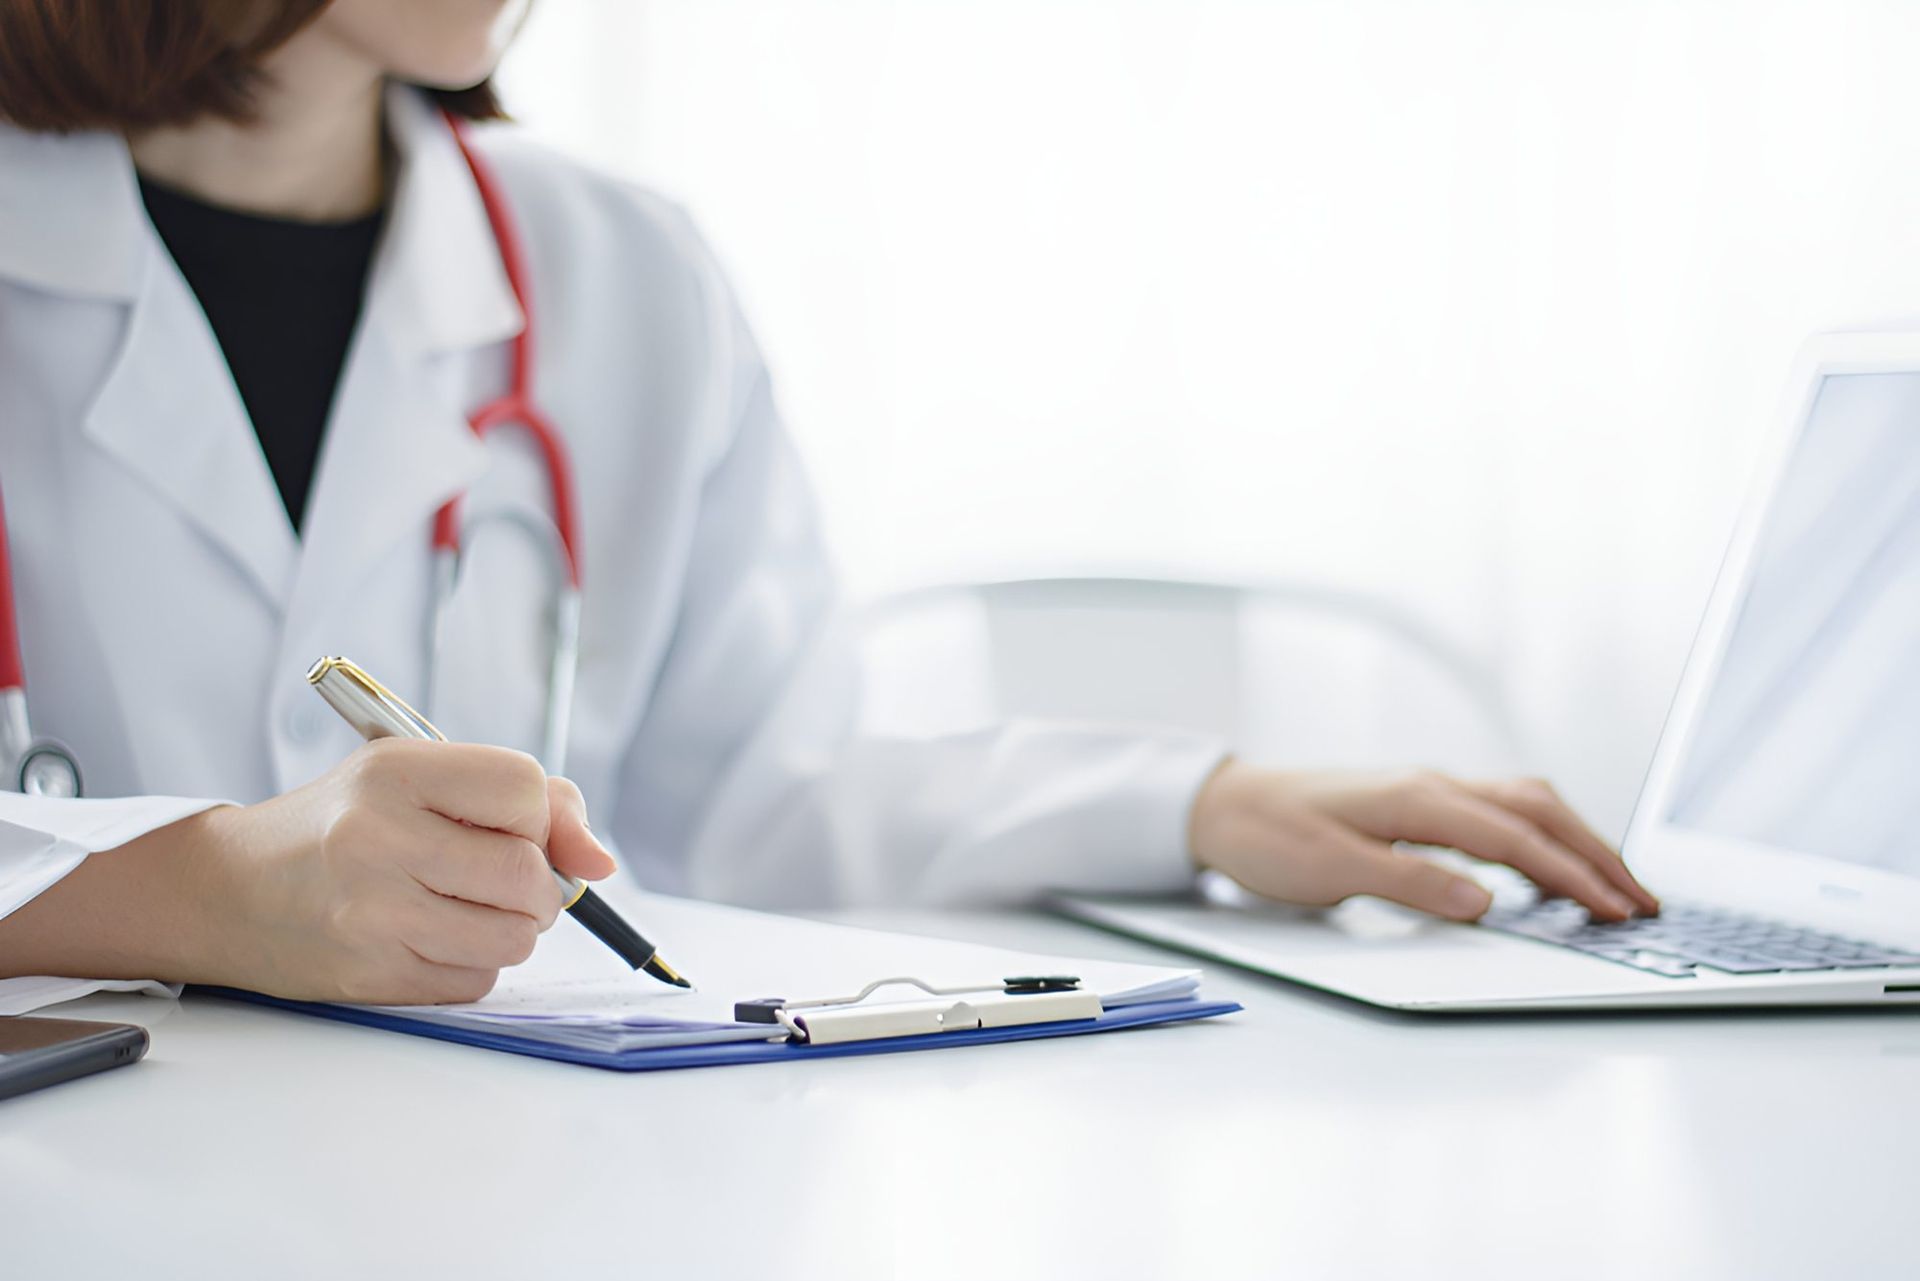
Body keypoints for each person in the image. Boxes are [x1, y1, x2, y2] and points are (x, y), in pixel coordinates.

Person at [0, 0, 1657, 1012]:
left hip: (486, 1192)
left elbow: (756, 801)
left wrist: (1193, 805)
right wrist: (215, 885)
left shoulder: (624, 275)